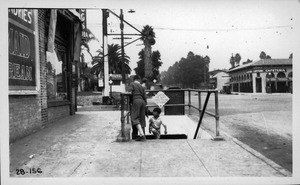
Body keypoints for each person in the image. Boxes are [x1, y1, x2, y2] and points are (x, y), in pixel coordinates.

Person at [128, 75, 147, 141]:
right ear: (139, 80)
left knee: (134, 118)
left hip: (136, 101)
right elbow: (145, 96)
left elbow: (130, 93)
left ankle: (141, 135)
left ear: (134, 79)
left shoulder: (132, 84)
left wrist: (130, 101)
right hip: (142, 101)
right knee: (142, 118)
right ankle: (143, 134)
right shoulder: (141, 86)